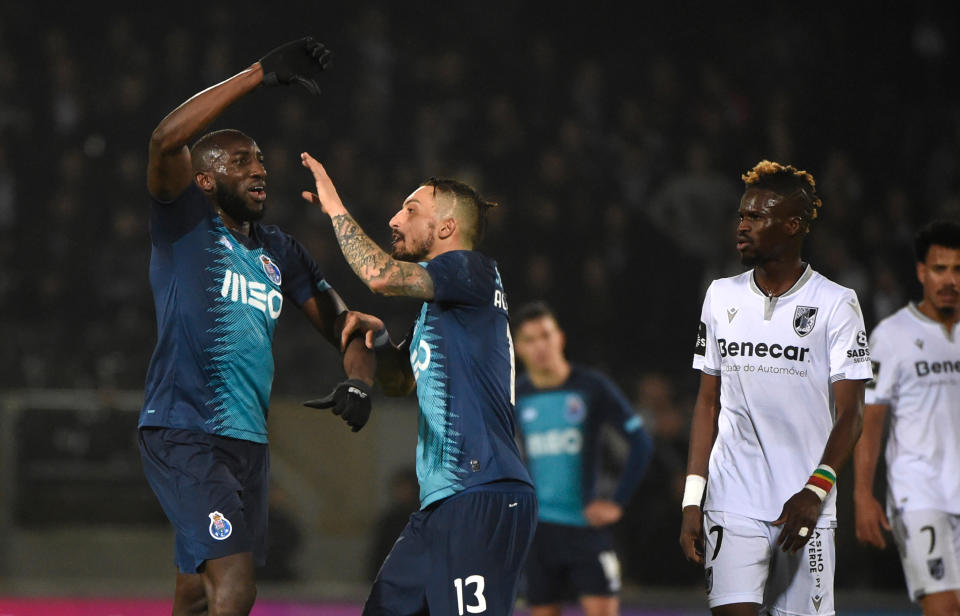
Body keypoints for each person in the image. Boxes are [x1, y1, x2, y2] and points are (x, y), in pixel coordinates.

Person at [138, 38, 374, 616]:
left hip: (247, 443)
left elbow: (348, 326)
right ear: (203, 180)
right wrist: (257, 74)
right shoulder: (184, 228)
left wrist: (361, 379)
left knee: (196, 594)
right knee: (236, 586)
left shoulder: (281, 253)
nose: (259, 169)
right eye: (239, 161)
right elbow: (165, 140)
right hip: (185, 431)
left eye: (261, 159)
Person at [299, 153, 537, 615]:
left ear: (447, 228)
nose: (394, 219)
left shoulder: (472, 269)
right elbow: (401, 383)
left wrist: (334, 207)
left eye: (411, 210)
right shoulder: (445, 306)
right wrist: (384, 340)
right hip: (440, 508)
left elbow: (380, 276)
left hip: (481, 492)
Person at [678, 160, 872, 616]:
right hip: (733, 499)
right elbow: (707, 404)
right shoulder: (720, 295)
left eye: (756, 217)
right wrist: (693, 500)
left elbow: (852, 414)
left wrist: (816, 489)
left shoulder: (836, 304)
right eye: (741, 215)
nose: (741, 227)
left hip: (806, 506)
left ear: (792, 225)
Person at [511, 301, 653, 616]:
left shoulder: (591, 386)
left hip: (587, 530)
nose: (540, 346)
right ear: (518, 348)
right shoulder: (516, 395)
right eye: (530, 340)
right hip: (539, 534)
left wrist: (617, 501)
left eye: (545, 335)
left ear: (559, 337)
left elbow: (640, 442)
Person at [854, 221, 960, 615]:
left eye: (958, 270)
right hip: (918, 493)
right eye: (939, 269)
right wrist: (862, 495)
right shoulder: (892, 336)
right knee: (944, 607)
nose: (949, 280)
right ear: (921, 273)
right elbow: (871, 422)